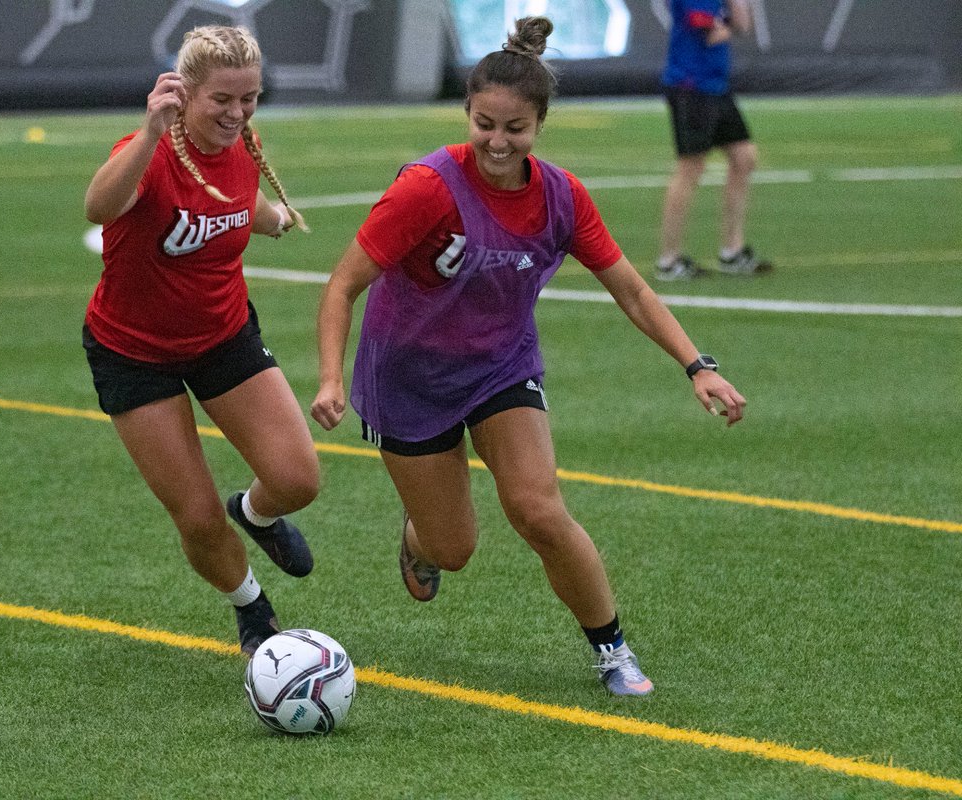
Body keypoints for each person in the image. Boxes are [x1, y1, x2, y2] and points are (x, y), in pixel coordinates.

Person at [312, 16, 747, 696]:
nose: (496, 140)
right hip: (409, 379)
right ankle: (421, 536)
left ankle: (613, 651)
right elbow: (343, 284)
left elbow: (631, 290)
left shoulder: (562, 196)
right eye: (484, 123)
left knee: (538, 508)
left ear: (539, 125)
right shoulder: (427, 187)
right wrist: (332, 378)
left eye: (514, 128)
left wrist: (698, 365)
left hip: (500, 367)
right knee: (452, 550)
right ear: (468, 114)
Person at [82, 25, 317, 656]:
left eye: (250, 99)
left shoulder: (241, 146)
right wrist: (151, 131)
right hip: (133, 353)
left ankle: (258, 513)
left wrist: (277, 220)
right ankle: (251, 608)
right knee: (197, 516)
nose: (237, 113)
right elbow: (100, 206)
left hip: (224, 337)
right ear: (183, 93)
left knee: (298, 480)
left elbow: (239, 203)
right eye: (222, 100)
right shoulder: (149, 150)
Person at [656, 0, 772, 280]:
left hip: (715, 85)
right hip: (691, 86)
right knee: (691, 167)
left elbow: (742, 25)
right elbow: (710, 31)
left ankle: (732, 251)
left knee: (744, 157)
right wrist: (730, 22)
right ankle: (669, 259)